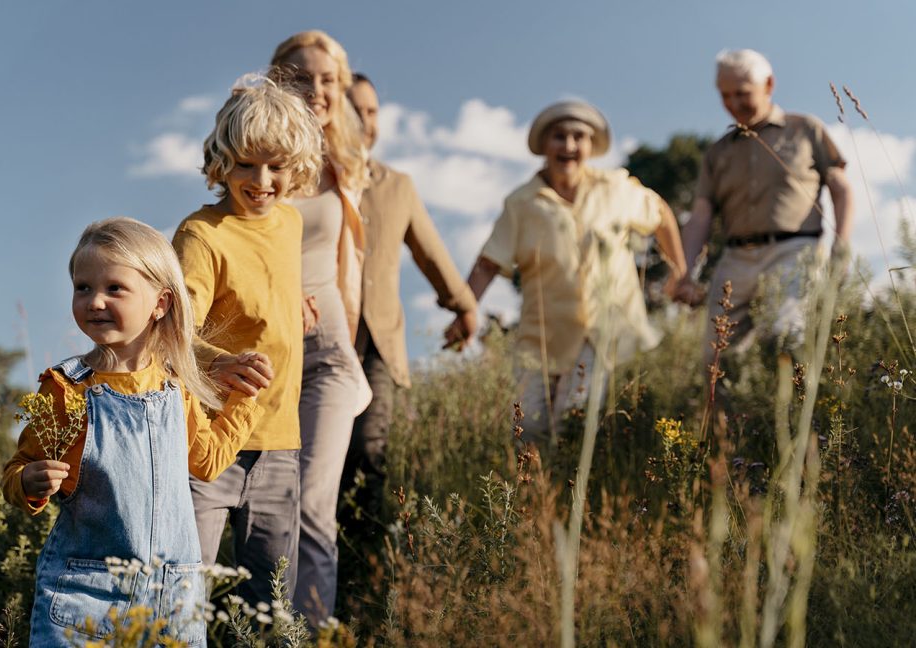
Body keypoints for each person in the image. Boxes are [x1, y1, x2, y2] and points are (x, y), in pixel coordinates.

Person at [1, 217, 264, 646]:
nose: (95, 301)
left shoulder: (174, 389)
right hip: (88, 599)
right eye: (82, 288)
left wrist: (244, 399)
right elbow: (19, 469)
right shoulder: (67, 391)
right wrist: (29, 483)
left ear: (160, 303)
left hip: (173, 601)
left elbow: (208, 462)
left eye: (114, 288)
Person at [450, 100, 688, 445]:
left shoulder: (616, 189)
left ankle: (571, 494)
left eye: (579, 137)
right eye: (559, 137)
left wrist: (678, 273)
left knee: (572, 424)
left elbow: (661, 214)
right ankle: (534, 497)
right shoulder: (522, 203)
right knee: (526, 430)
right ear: (545, 145)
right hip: (541, 337)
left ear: (591, 146)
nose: (569, 146)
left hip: (599, 333)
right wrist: (464, 312)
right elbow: (489, 262)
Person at [172, 76, 324, 608]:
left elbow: (263, 279)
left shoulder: (290, 223)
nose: (261, 180)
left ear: (296, 167)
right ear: (221, 161)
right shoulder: (201, 235)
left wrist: (295, 301)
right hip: (210, 444)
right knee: (185, 594)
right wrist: (220, 362)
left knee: (270, 604)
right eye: (245, 164)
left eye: (276, 166)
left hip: (280, 443)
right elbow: (170, 330)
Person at [343, 72, 478, 528]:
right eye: (354, 108)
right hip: (319, 338)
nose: (364, 120)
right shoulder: (308, 179)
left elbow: (430, 250)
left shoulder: (397, 185)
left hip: (378, 343)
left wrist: (463, 304)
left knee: (369, 451)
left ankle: (365, 576)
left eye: (372, 110)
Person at [269, 30, 372, 624]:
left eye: (329, 79)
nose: (317, 90)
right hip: (266, 358)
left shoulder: (346, 166)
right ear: (277, 80)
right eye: (302, 77)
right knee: (267, 507)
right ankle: (265, 625)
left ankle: (309, 633)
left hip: (329, 355)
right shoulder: (255, 157)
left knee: (312, 503)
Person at [673, 49, 852, 376]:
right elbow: (700, 217)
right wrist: (684, 274)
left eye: (742, 93)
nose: (733, 103)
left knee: (784, 337)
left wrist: (841, 248)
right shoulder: (718, 152)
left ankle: (798, 421)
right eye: (725, 95)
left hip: (795, 251)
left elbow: (841, 189)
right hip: (736, 259)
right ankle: (728, 426)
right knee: (716, 358)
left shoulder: (804, 129)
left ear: (768, 84)